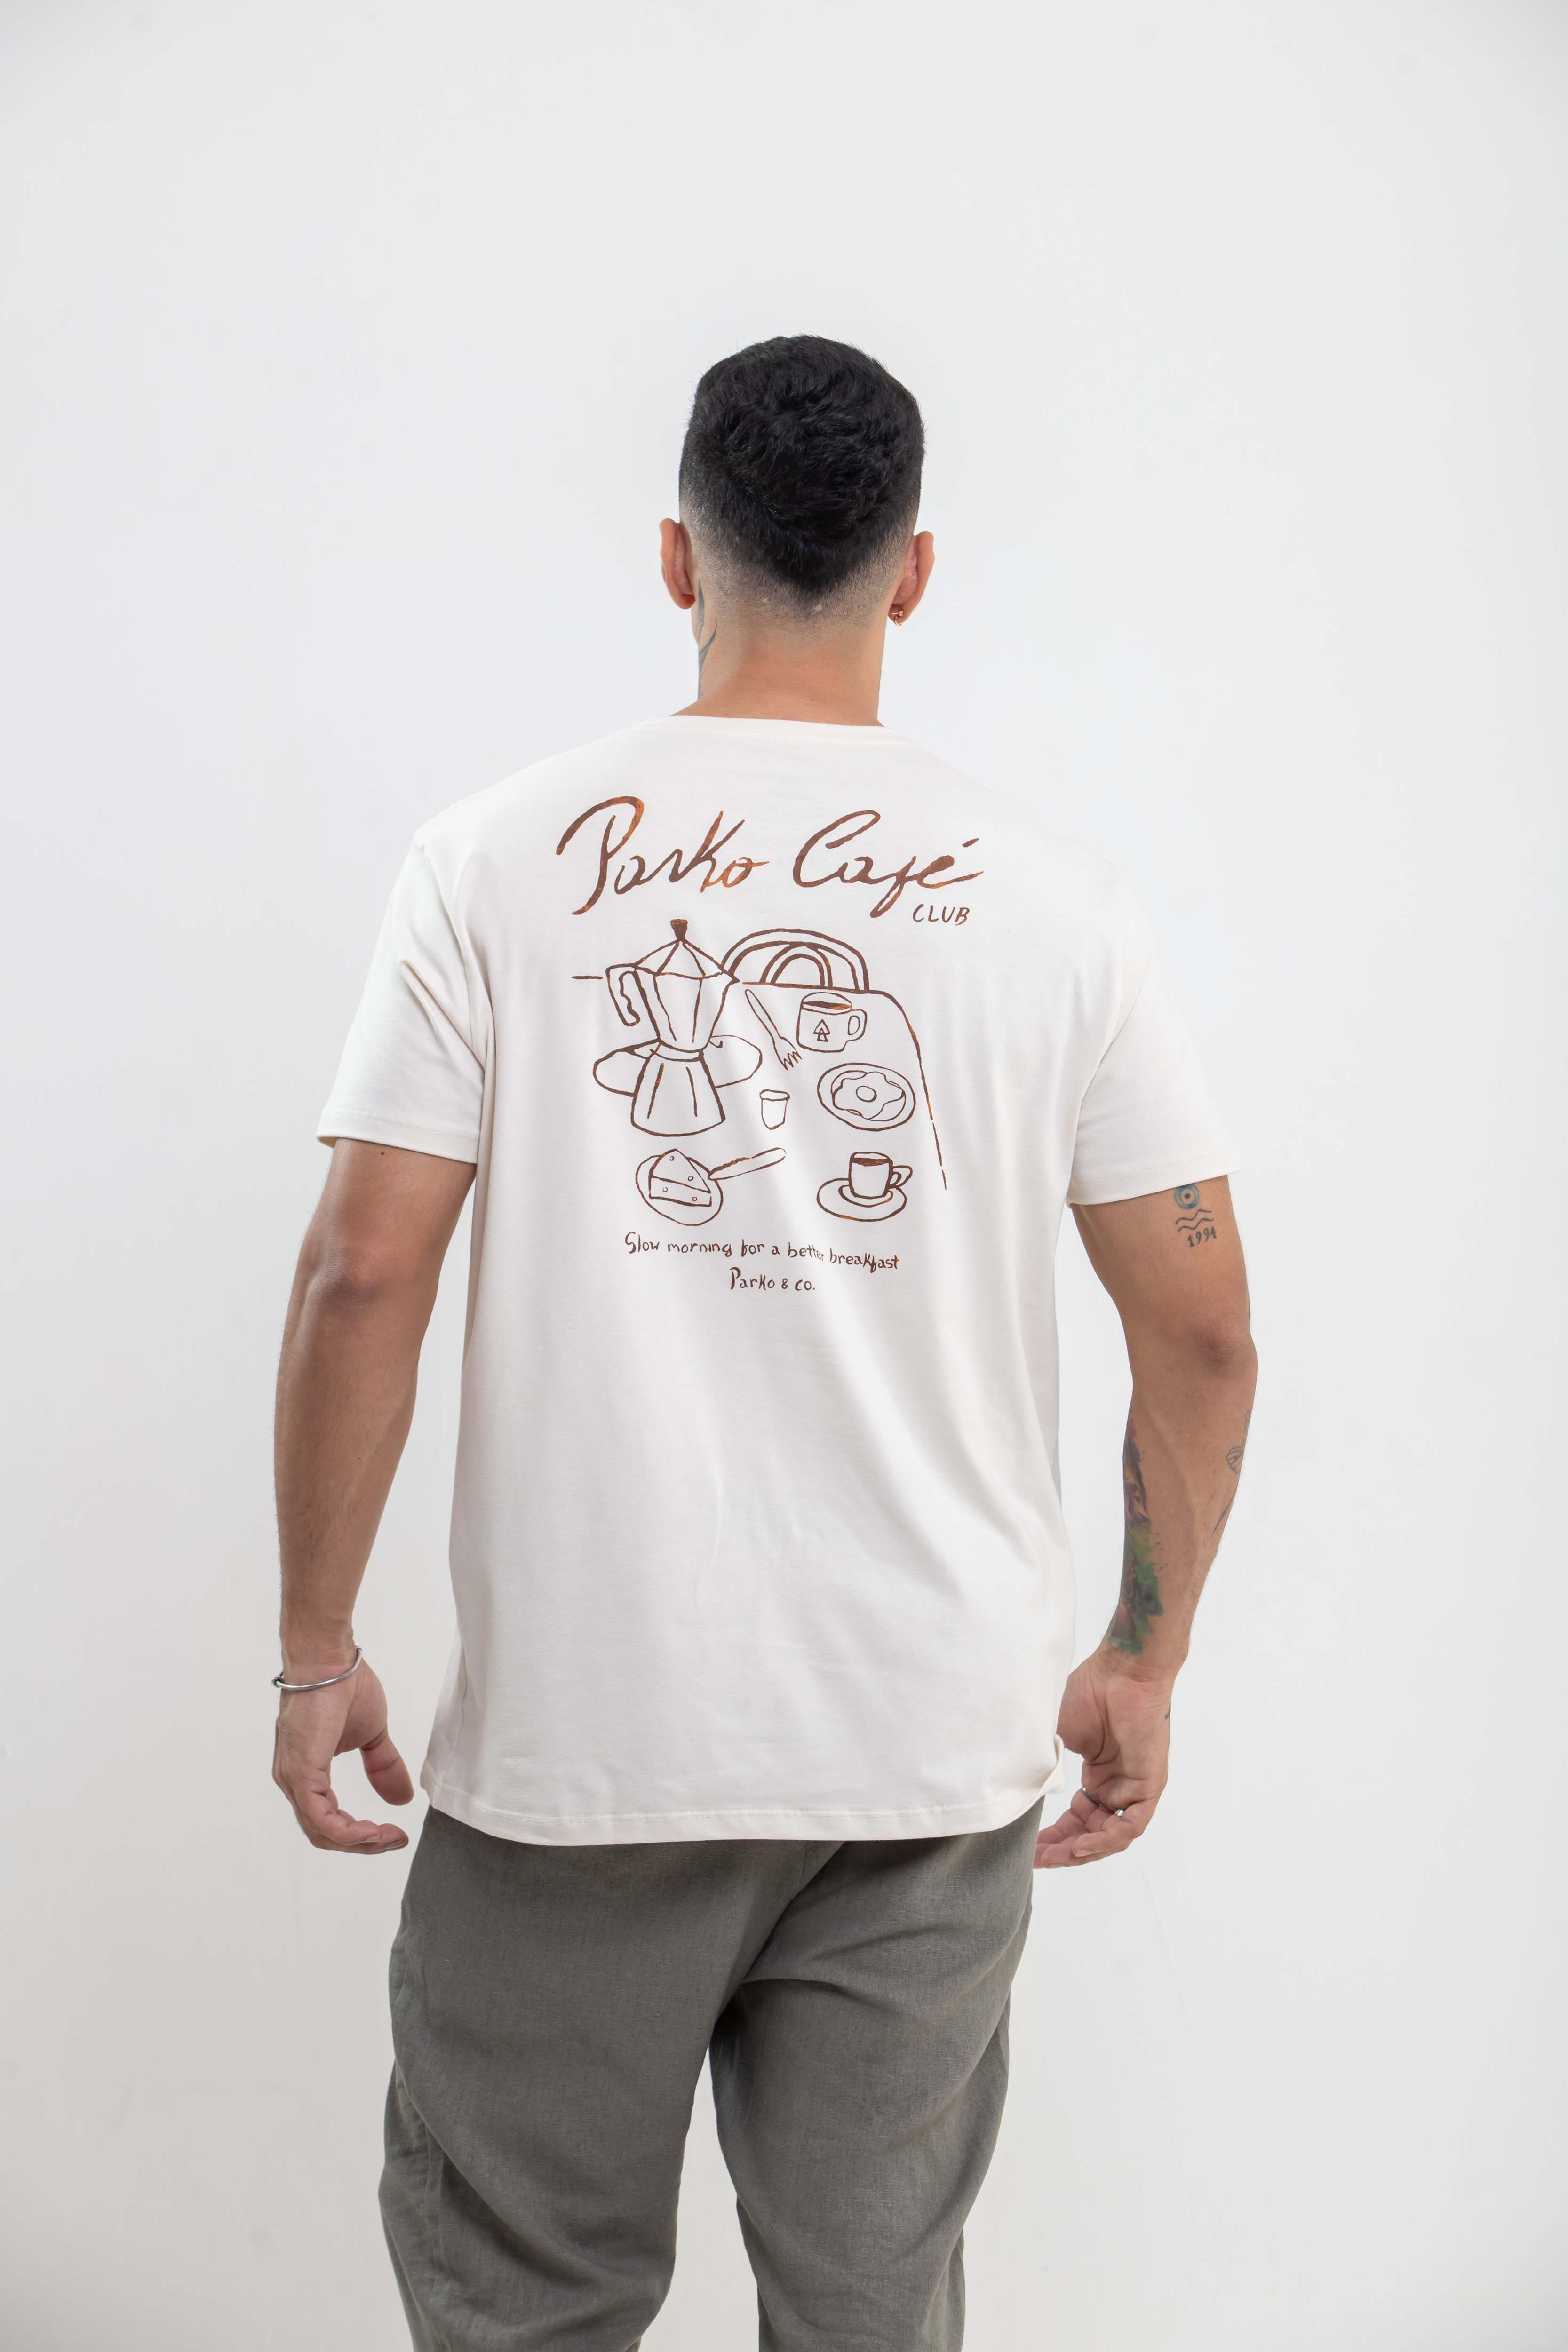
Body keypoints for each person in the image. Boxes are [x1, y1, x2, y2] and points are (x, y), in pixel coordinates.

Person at [271, 334, 1257, 2352]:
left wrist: (315, 1643)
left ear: (674, 556)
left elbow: (362, 1275)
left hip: (584, 1739)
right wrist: (1145, 1653)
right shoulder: (1061, 907)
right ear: (915, 572)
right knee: (871, 2309)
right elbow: (1208, 1331)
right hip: (924, 1745)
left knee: (522, 2301)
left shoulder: (492, 862)